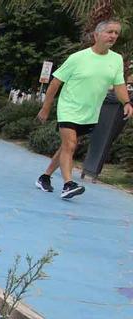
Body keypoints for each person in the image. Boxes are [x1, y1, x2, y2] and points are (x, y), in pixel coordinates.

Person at [36, 19, 131, 199]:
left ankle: (45, 177)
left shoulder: (116, 59)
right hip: (68, 107)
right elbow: (55, 83)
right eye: (109, 32)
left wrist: (127, 102)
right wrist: (45, 108)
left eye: (116, 33)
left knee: (66, 146)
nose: (113, 36)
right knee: (70, 144)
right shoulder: (77, 58)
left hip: (90, 113)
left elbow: (119, 84)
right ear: (96, 35)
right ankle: (68, 185)